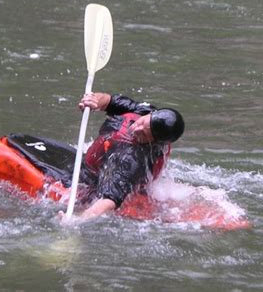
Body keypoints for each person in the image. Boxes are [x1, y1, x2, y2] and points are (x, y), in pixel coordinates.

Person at [59, 92, 184, 224]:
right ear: (149, 114)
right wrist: (94, 101)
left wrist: (76, 221)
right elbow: (110, 101)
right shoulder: (145, 111)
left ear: (154, 142)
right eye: (142, 123)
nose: (137, 129)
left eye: (144, 134)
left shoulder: (133, 159)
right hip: (98, 166)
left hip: (91, 182)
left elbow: (110, 200)